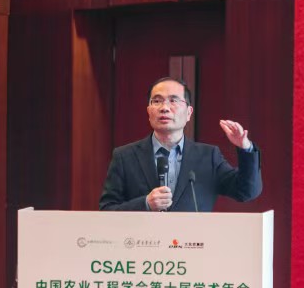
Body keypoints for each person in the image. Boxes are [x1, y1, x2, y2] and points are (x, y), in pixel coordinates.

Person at [99, 77, 262, 211]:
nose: (164, 108)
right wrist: (145, 204)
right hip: (143, 241)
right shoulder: (125, 157)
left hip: (192, 241)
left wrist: (245, 148)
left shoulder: (208, 157)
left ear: (189, 113)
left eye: (173, 101)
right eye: (157, 101)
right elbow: (107, 210)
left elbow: (246, 192)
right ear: (149, 111)